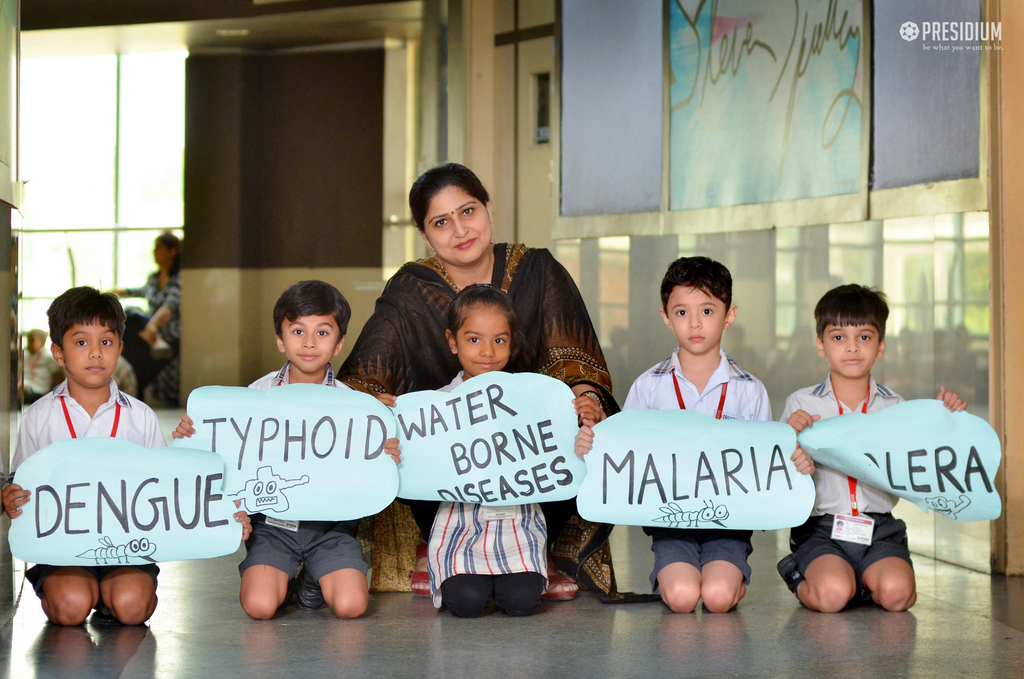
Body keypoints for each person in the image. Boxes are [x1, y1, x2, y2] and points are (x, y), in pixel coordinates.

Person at [339, 163, 616, 600]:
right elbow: (366, 375)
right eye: (441, 222)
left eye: (468, 211)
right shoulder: (412, 288)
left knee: (588, 432)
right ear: (425, 235)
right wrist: (380, 406)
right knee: (389, 441)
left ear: (488, 209)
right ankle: (437, 545)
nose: (460, 230)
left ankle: (538, 548)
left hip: (531, 460)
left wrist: (585, 399)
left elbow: (572, 356)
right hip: (450, 470)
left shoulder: (538, 269)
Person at [575, 257, 814, 613]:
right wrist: (591, 447)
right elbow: (625, 455)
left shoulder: (749, 390)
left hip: (730, 522)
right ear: (666, 317)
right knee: (683, 598)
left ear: (729, 315)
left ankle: (728, 581)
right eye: (682, 313)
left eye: (707, 310)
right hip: (671, 522)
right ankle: (677, 574)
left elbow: (766, 463)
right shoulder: (648, 386)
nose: (695, 323)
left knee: (717, 598)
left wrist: (795, 461)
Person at [1, 288, 245, 625]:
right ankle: (86, 591)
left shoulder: (140, 415)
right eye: (81, 342)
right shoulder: (39, 416)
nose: (96, 353)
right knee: (70, 607)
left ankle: (110, 595)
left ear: (120, 349)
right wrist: (11, 497)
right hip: (62, 547)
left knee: (133, 608)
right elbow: (21, 482)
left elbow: (167, 489)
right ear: (58, 352)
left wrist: (218, 509)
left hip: (131, 544)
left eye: (107, 341)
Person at [174, 280, 400, 620]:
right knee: (260, 607)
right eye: (297, 331)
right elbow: (229, 454)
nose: (309, 343)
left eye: (323, 333)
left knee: (352, 606)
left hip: (331, 527)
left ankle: (312, 579)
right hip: (273, 525)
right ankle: (290, 576)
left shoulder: (354, 406)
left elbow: (367, 465)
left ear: (339, 344)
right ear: (280, 339)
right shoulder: (254, 397)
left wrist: (385, 456)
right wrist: (194, 435)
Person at [777, 284, 967, 613]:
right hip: (823, 529)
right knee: (833, 596)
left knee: (898, 596)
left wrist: (944, 421)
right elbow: (780, 471)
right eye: (838, 337)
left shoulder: (895, 407)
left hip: (879, 528)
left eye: (864, 337)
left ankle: (860, 580)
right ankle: (804, 575)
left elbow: (921, 462)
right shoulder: (802, 404)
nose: (852, 348)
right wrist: (792, 443)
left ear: (880, 346)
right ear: (820, 345)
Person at [419, 285, 548, 616]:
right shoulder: (436, 407)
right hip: (460, 524)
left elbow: (552, 451)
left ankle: (515, 575)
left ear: (511, 342)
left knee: (521, 602)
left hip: (518, 525)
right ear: (452, 341)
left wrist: (577, 438)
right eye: (474, 339)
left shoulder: (530, 400)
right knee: (466, 602)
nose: (487, 352)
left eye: (499, 340)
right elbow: (421, 460)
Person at [114, 232, 181, 405]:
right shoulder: (153, 278)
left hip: (166, 332)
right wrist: (121, 291)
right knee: (129, 321)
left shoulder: (179, 278)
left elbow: (169, 308)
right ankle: (132, 388)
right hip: (149, 333)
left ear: (172, 251)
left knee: (134, 316)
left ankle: (133, 390)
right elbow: (142, 292)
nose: (154, 252)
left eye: (158, 247)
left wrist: (152, 327)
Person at [22, 328, 61, 404]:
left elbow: (57, 377)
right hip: (26, 387)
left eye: (32, 341)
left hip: (40, 391)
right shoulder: (25, 355)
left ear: (42, 342)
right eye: (28, 341)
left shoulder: (48, 357)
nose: (29, 344)